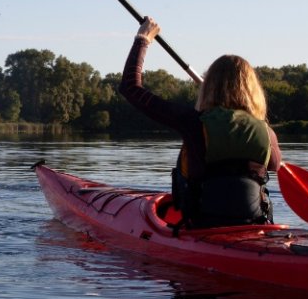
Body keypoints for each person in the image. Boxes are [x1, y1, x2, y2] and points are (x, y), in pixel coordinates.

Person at [119, 17, 282, 229]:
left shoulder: (193, 122)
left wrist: (143, 39)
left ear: (209, 87)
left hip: (202, 227)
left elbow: (130, 87)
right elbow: (275, 165)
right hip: (255, 226)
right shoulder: (267, 132)